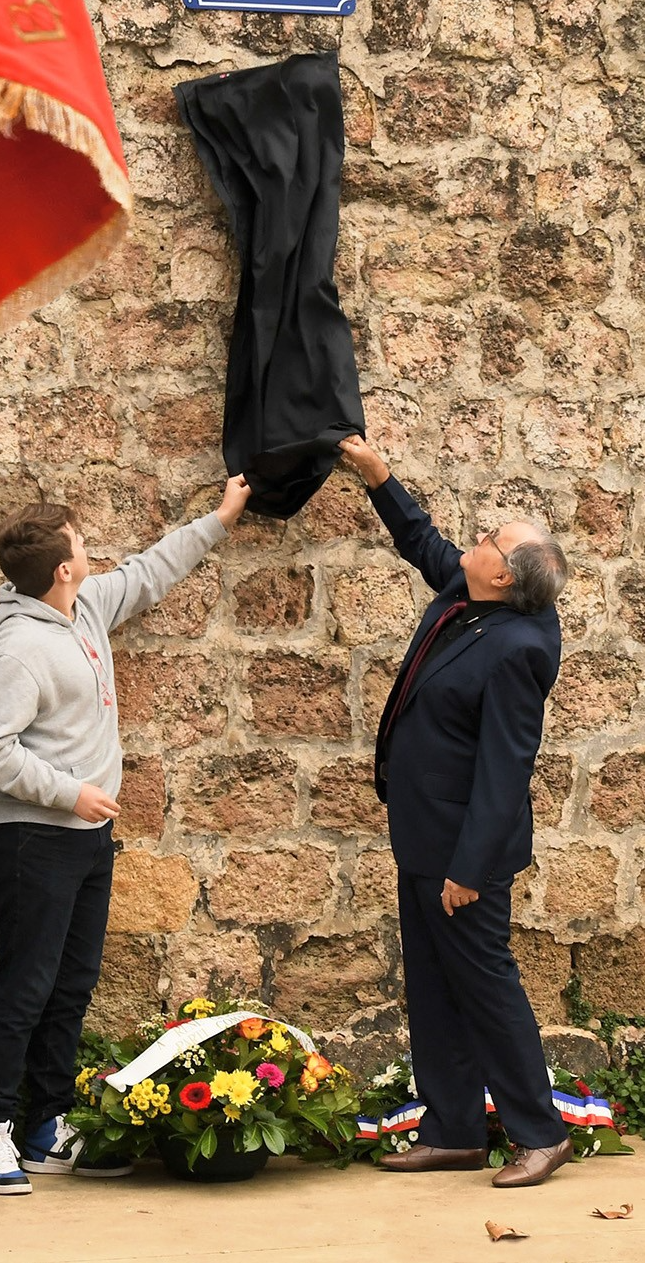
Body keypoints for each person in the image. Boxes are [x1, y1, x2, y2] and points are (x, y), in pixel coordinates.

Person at [0, 475, 252, 1195]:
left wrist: (219, 518)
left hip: (87, 838)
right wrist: (70, 791)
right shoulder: (16, 650)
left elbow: (149, 571)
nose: (92, 552)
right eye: (82, 545)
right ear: (62, 567)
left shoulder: (85, 605)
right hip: (33, 836)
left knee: (71, 985)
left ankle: (46, 1125)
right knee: (24, 985)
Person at [339, 434, 572, 1188]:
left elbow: (506, 771)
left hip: (463, 851)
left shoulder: (518, 648)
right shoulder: (470, 596)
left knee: (484, 984)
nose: (471, 542)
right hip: (420, 832)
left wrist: (468, 869)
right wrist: (379, 477)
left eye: (486, 541)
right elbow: (423, 542)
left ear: (503, 573)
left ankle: (540, 1132)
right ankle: (453, 1130)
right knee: (432, 984)